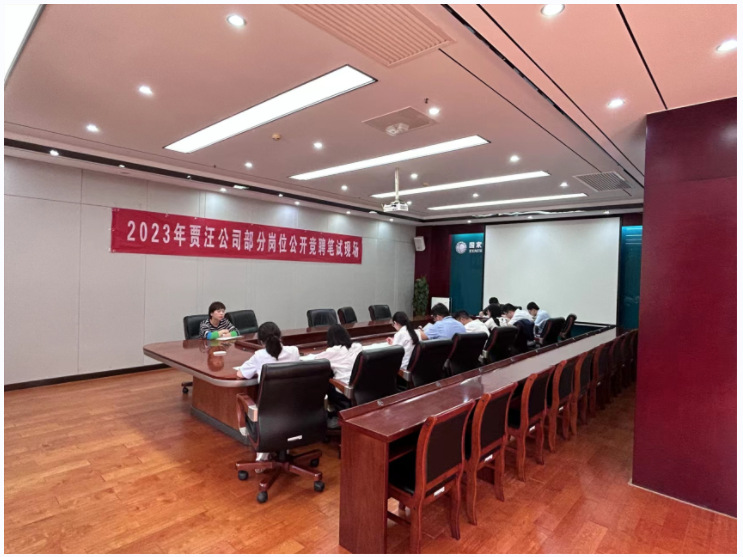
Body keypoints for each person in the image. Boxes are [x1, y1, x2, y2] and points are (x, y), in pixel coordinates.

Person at [237, 322, 300, 469]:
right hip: (294, 411)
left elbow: (240, 374)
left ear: (261, 341)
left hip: (268, 414)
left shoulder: (259, 356)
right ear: (280, 335)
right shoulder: (294, 351)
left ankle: (263, 458)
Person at [314, 325, 364, 422]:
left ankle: (330, 414)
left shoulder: (333, 351)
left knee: (324, 380)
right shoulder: (358, 347)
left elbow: (316, 360)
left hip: (344, 391)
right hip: (361, 389)